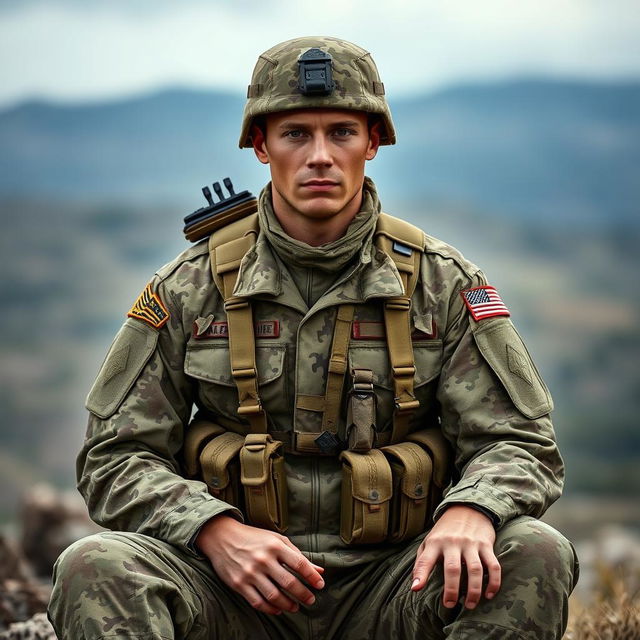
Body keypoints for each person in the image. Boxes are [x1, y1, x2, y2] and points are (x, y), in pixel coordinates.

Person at [48, 36, 578, 639]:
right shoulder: (190, 288)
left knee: (533, 550)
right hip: (234, 594)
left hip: (399, 587)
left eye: (342, 133)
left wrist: (473, 509)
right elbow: (113, 455)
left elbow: (521, 440)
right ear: (260, 145)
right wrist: (211, 531)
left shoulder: (440, 282)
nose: (320, 156)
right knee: (95, 566)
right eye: (296, 133)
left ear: (373, 142)